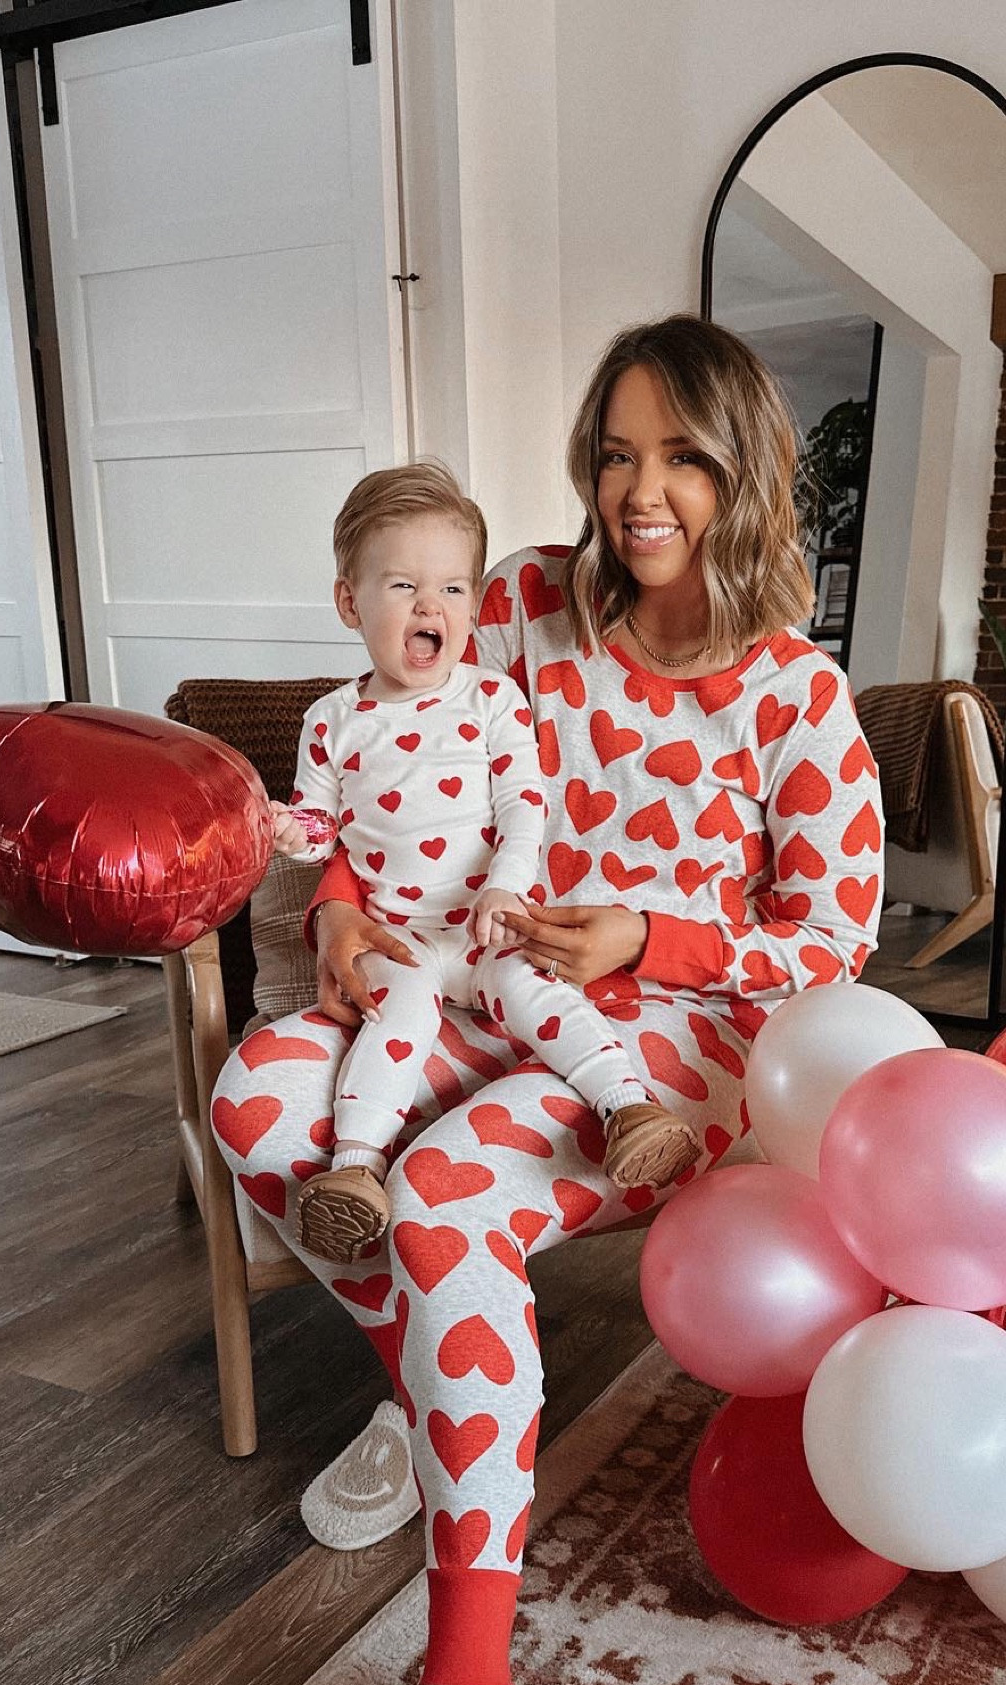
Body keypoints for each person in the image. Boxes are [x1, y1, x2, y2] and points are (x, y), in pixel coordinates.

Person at [210, 315, 884, 1685]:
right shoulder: (515, 600)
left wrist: (648, 938)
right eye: (613, 452)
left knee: (442, 1192)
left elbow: (836, 930)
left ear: (744, 471)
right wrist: (343, 905)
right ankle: (443, 1389)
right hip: (461, 976)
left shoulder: (793, 692)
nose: (637, 491)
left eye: (679, 457)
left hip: (664, 1044)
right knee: (255, 1104)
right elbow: (388, 754)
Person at [271, 461, 700, 1263]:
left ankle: (628, 1108)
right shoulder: (331, 720)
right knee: (392, 1023)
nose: (430, 607)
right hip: (399, 936)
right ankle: (355, 1169)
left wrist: (504, 889)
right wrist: (292, 831)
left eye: (453, 588)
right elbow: (322, 825)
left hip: (489, 923)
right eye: (402, 587)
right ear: (349, 603)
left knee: (539, 993)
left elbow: (523, 805)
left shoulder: (491, 700)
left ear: (472, 603)